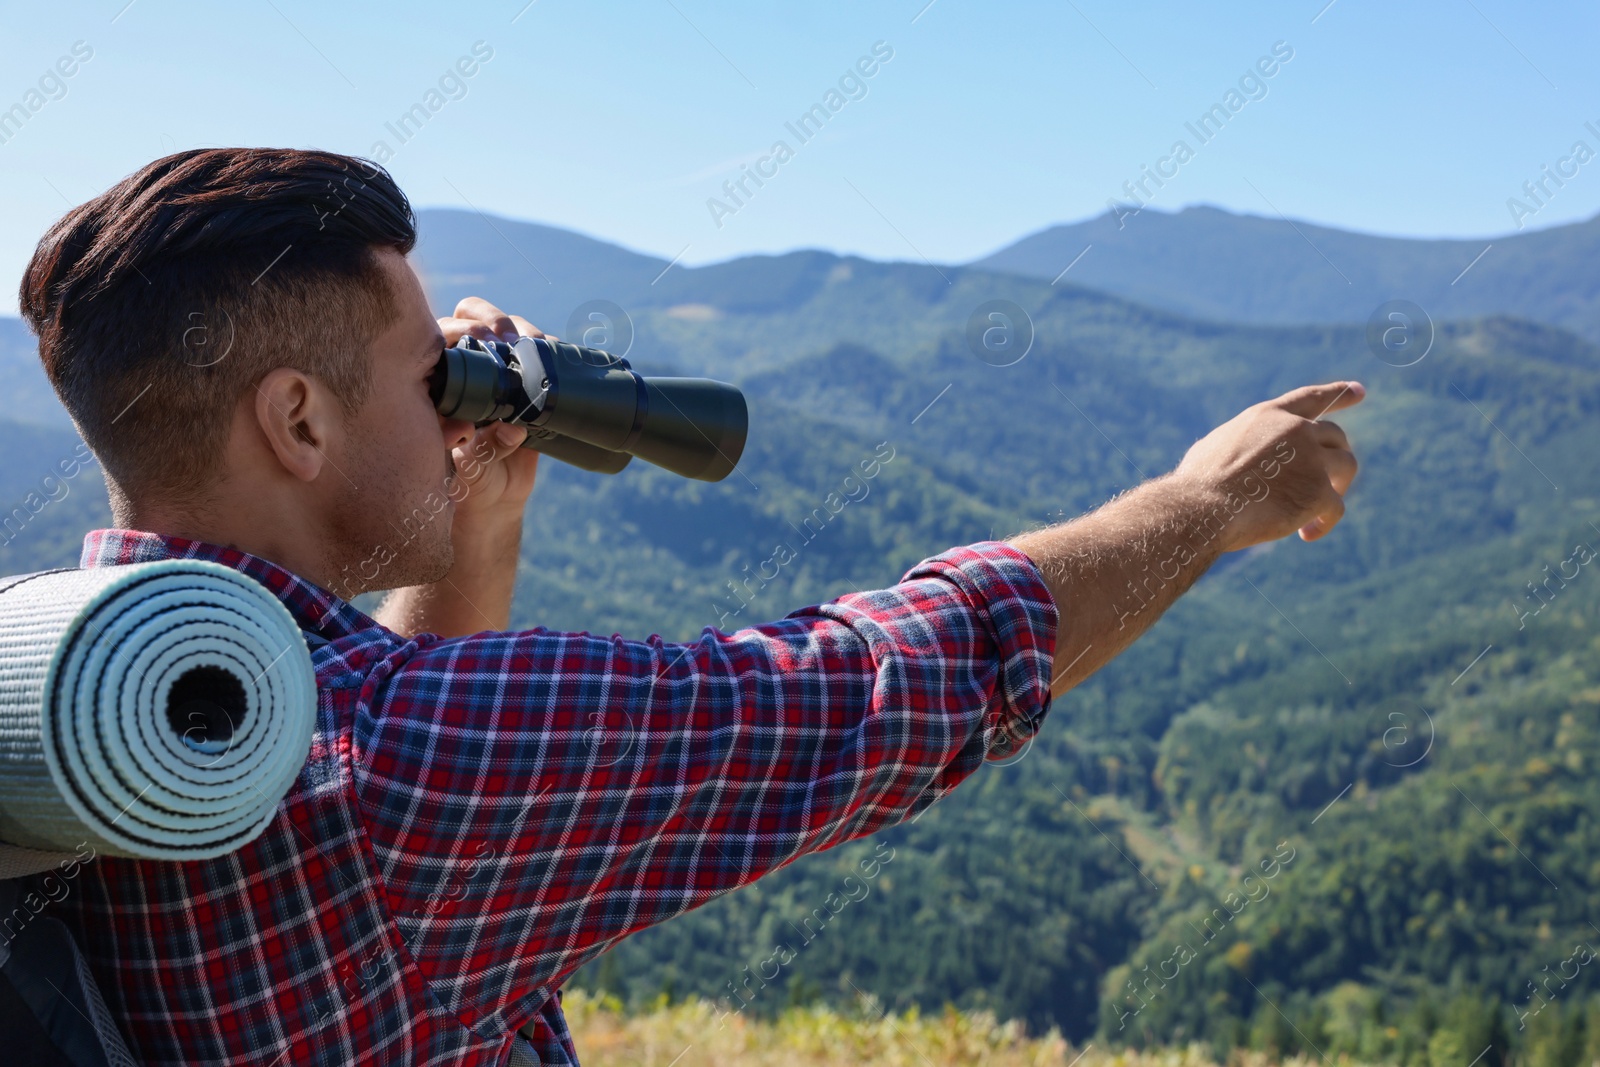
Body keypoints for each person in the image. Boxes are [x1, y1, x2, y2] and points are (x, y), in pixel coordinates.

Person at [13, 147, 1361, 1066]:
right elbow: (896, 678)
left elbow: (397, 885)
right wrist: (1208, 501)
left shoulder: (106, 698)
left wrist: (476, 527)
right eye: (426, 373)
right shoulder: (396, 773)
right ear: (298, 420)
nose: (451, 405)